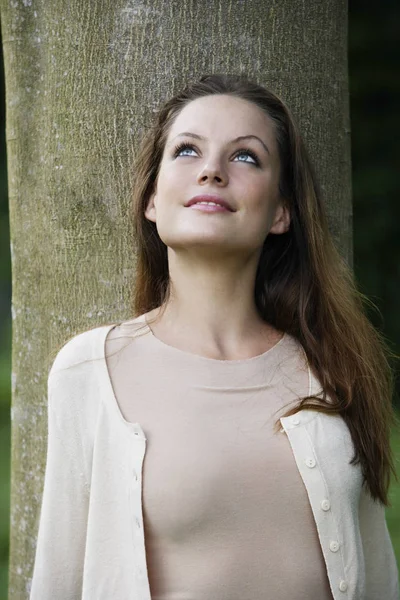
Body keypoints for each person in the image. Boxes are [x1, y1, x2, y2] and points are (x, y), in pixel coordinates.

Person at [30, 74, 399, 600]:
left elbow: (380, 582)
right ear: (152, 200)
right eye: (186, 150)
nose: (211, 171)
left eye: (245, 157)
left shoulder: (335, 367)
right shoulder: (89, 370)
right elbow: (56, 583)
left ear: (280, 212)